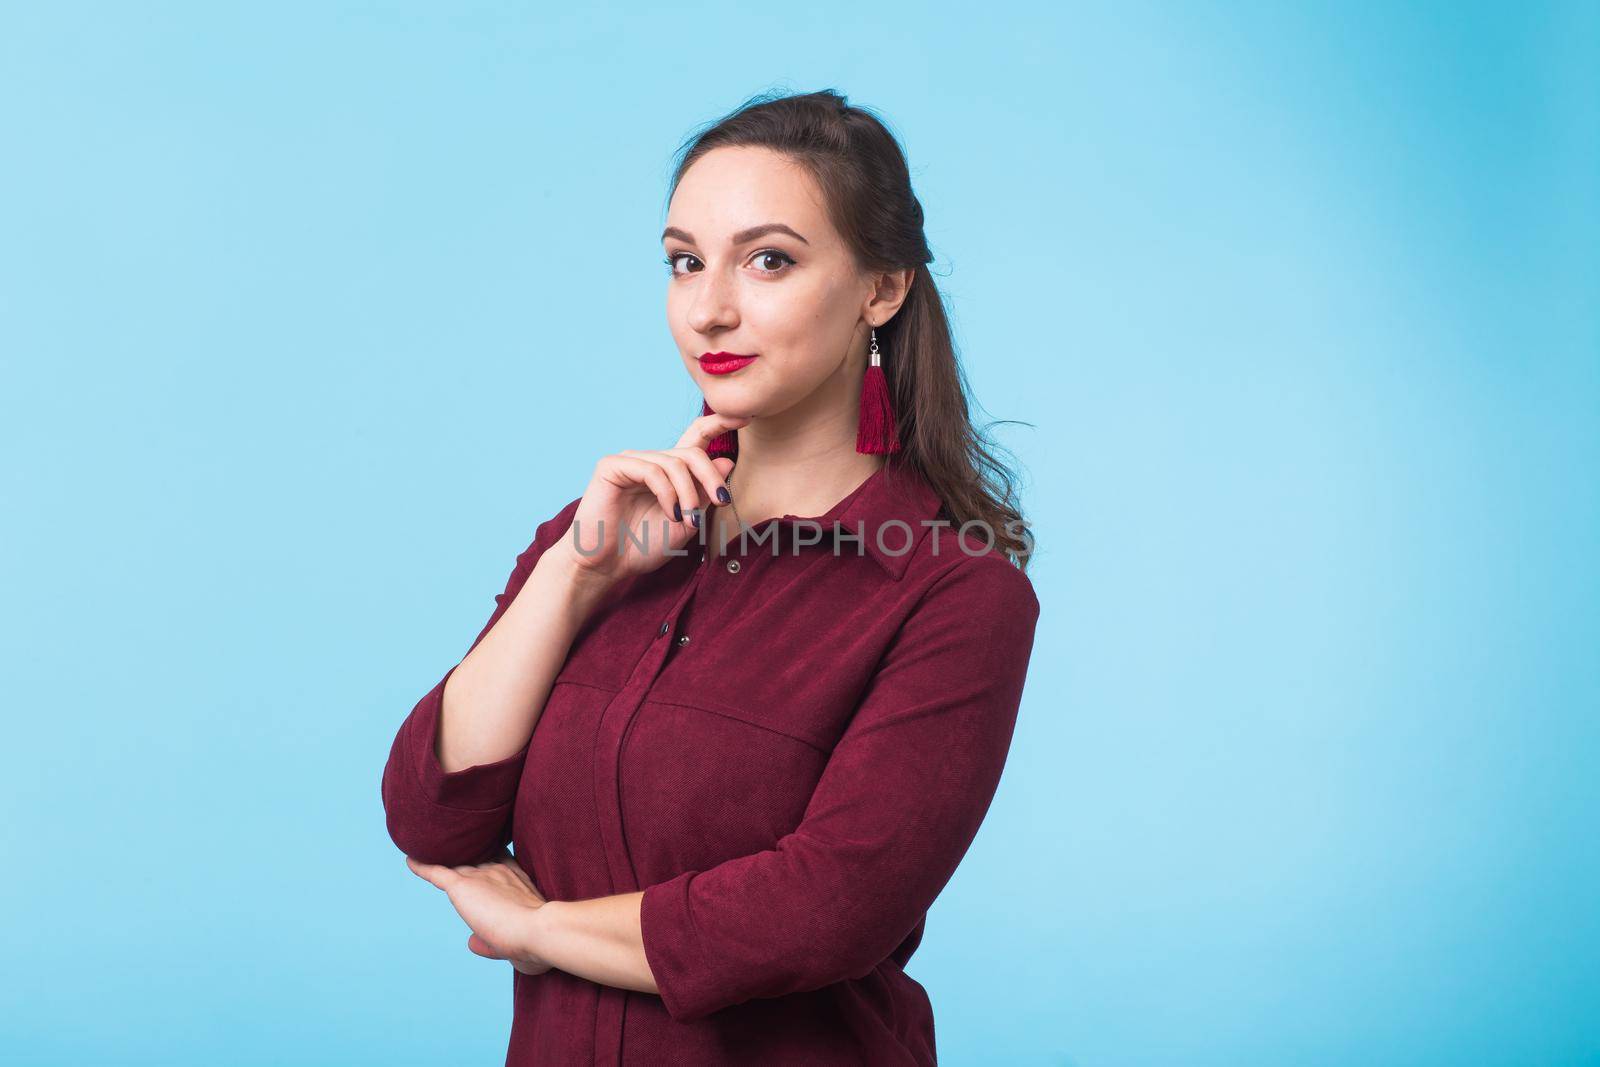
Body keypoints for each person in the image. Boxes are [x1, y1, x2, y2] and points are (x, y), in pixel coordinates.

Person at [381, 88, 1041, 1066]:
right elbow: (434, 812)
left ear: (882, 288)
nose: (710, 306)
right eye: (684, 261)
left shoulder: (953, 591)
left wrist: (538, 929)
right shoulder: (601, 532)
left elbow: (823, 908)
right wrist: (574, 574)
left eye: (768, 259)